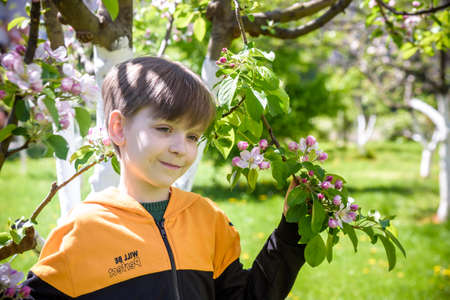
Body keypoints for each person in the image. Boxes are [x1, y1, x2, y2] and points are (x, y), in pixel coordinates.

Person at [23, 57, 306, 299]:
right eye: (164, 128)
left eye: (192, 136)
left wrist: (291, 232)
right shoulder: (82, 231)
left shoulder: (208, 220)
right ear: (119, 128)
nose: (179, 148)